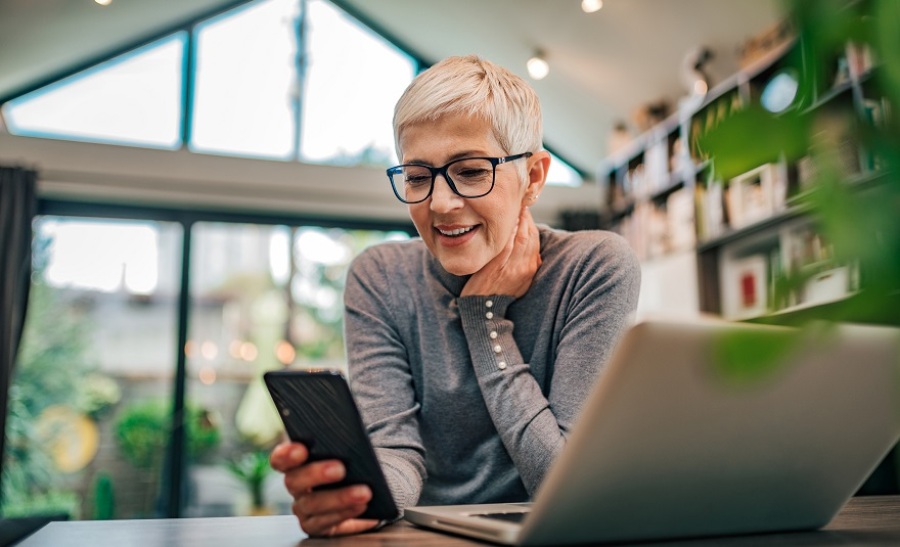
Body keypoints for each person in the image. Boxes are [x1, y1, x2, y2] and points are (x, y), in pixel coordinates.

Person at [270, 54, 641, 537]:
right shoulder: (381, 278)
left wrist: (484, 317)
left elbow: (563, 483)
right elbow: (397, 453)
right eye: (418, 177)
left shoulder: (594, 267)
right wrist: (359, 494)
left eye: (470, 171)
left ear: (532, 177)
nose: (440, 204)